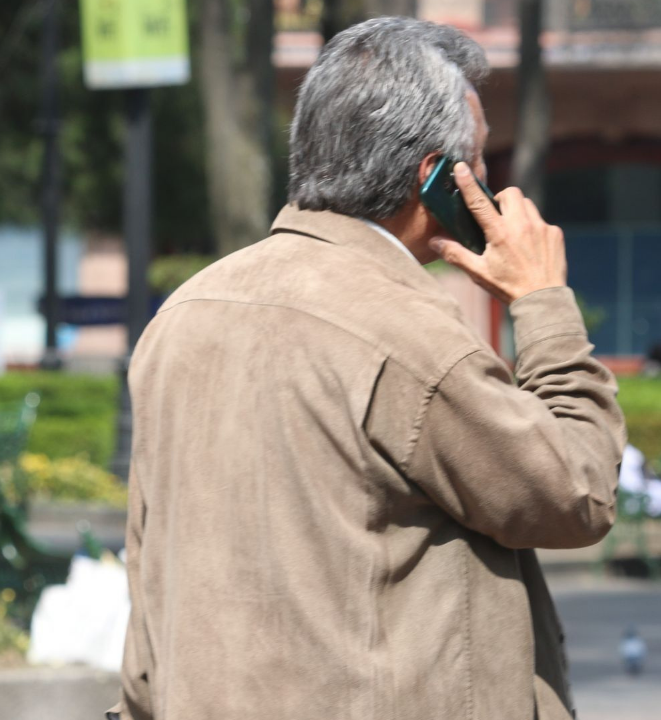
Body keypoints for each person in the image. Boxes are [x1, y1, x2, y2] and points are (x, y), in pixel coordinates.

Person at [112, 18, 625, 720]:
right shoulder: (407, 334)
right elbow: (576, 495)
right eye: (476, 164)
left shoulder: (183, 315)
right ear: (438, 180)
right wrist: (543, 305)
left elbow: (148, 560)